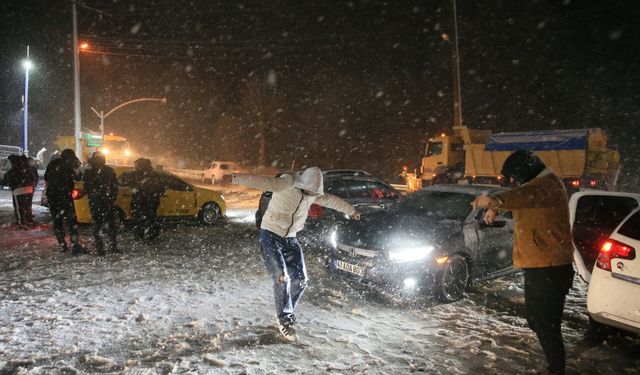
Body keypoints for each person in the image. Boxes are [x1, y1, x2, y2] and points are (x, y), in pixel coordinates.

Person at [471, 150, 574, 375]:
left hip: (552, 268)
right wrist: (494, 208)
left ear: (525, 171)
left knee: (548, 327)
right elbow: (522, 194)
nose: (513, 183)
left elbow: (526, 195)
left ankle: (556, 370)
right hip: (536, 266)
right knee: (535, 321)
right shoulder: (538, 185)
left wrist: (495, 200)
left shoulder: (548, 185)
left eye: (514, 178)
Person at [232, 167, 361, 342]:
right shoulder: (286, 183)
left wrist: (351, 210)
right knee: (281, 278)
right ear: (303, 183)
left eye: (315, 192)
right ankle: (285, 320)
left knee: (301, 281)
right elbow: (262, 181)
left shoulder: (313, 193)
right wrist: (235, 178)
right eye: (310, 190)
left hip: (291, 239)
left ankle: (285, 309)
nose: (312, 194)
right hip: (270, 234)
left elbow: (331, 200)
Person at [45, 148, 83, 254]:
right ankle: (75, 244)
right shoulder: (69, 165)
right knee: (72, 221)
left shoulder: (52, 164)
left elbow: (46, 177)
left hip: (53, 197)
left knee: (57, 222)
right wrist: (76, 166)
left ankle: (62, 244)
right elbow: (78, 177)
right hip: (65, 197)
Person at [82, 152, 119, 255]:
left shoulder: (89, 171)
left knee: (99, 225)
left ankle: (101, 248)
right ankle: (111, 247)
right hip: (105, 201)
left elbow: (87, 186)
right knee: (109, 225)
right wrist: (111, 198)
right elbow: (115, 186)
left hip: (97, 202)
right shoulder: (108, 170)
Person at [120, 158, 165, 243]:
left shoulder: (142, 175)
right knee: (146, 219)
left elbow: (124, 181)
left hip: (145, 201)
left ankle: (145, 237)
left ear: (142, 166)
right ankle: (147, 237)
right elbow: (161, 188)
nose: (136, 167)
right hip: (146, 201)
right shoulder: (149, 175)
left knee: (145, 219)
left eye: (137, 165)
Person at [1, 155, 35, 228]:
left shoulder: (12, 171)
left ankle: (22, 223)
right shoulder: (26, 168)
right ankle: (29, 220)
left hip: (18, 190)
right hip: (29, 189)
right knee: (27, 206)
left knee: (19, 208)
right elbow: (33, 178)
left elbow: (5, 181)